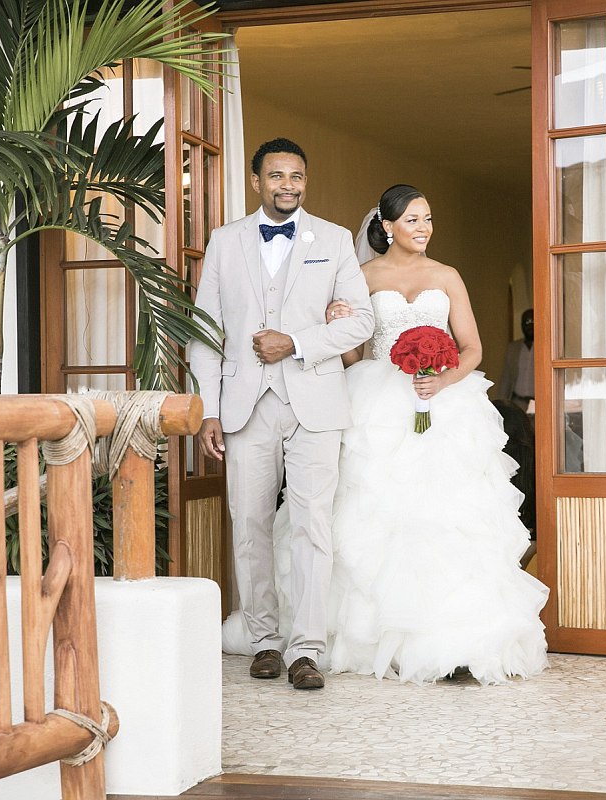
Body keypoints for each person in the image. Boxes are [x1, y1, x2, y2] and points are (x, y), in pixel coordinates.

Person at [224, 184, 549, 685]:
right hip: (374, 401)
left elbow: (474, 347)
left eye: (429, 219)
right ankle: (361, 638)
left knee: (445, 516)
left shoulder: (447, 276)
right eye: (414, 219)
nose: (424, 228)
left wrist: (440, 380)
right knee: (368, 515)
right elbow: (353, 352)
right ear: (388, 226)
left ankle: (452, 639)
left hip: (443, 404)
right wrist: (338, 322)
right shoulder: (362, 276)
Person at [189, 137, 374, 690]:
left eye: (296, 176)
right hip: (245, 406)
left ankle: (306, 650)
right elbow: (205, 333)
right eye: (276, 176)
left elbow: (361, 321)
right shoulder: (225, 243)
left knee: (312, 525)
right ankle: (265, 641)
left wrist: (294, 341)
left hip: (315, 400)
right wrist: (208, 410)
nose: (287, 186)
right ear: (257, 182)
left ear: (304, 181)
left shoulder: (336, 240)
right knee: (248, 524)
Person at [496, 309, 534, 412]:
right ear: (521, 325)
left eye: (533, 321)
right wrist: (501, 404)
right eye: (527, 322)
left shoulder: (546, 349)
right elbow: (506, 378)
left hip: (540, 403)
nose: (530, 325)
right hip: (517, 402)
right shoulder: (513, 348)